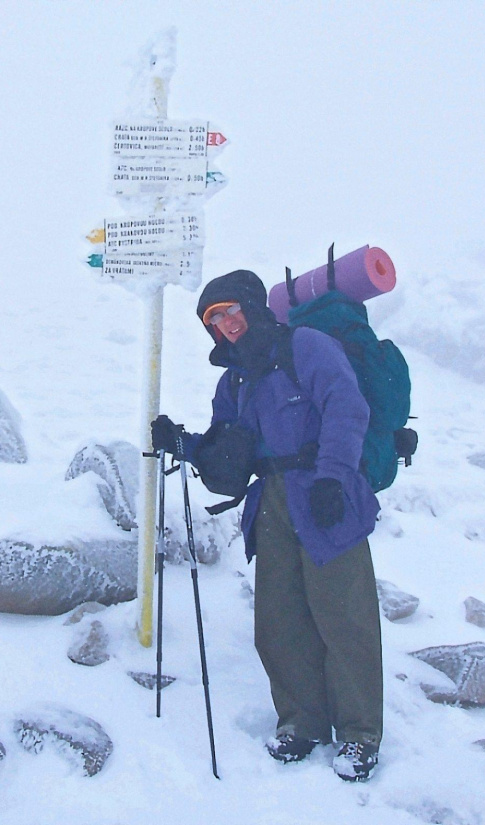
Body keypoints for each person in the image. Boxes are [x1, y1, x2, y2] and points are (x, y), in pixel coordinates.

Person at [151, 269, 383, 781]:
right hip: (273, 502)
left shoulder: (308, 347)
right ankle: (302, 724)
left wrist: (333, 479)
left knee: (344, 618)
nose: (227, 324)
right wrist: (183, 445)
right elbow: (228, 458)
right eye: (215, 319)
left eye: (231, 310)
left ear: (254, 306)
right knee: (279, 620)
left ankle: (360, 734)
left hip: (328, 491)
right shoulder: (233, 380)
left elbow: (347, 408)